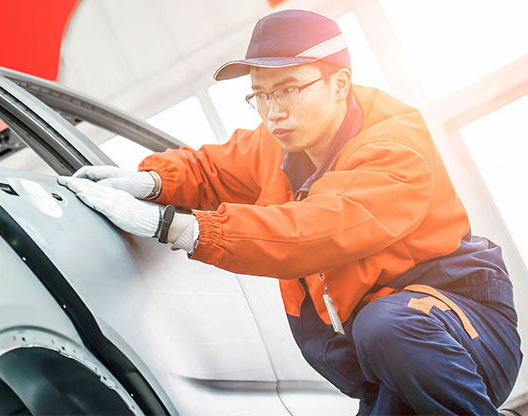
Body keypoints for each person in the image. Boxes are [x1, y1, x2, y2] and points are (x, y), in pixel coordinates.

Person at [58, 9, 521, 415]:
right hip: (384, 366)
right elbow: (209, 169)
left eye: (287, 90)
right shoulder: (276, 143)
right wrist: (151, 180)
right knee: (382, 333)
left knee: (386, 325)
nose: (271, 111)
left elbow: (311, 232)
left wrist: (170, 226)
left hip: (465, 333)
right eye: (259, 95)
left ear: (339, 84)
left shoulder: (394, 151)